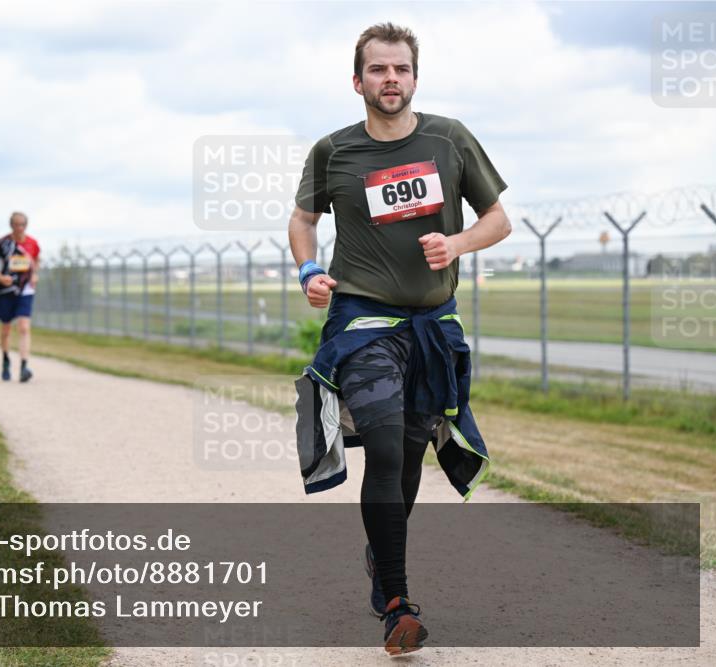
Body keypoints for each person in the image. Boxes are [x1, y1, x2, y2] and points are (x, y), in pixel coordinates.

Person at [289, 23, 510, 655]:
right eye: (379, 71)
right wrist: (309, 270)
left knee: (410, 460)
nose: (392, 80)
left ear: (415, 77)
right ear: (357, 81)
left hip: (431, 327)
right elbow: (302, 219)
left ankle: (378, 557)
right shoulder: (334, 151)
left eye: (402, 70)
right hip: (362, 322)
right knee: (384, 447)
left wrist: (458, 243)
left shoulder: (449, 138)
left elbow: (498, 218)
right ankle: (396, 603)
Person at [0, 211, 40, 382]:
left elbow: (36, 261)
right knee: (6, 329)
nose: (19, 228)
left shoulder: (32, 243)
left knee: (24, 327)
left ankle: (24, 366)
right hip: (7, 290)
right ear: (11, 225)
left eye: (22, 225)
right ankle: (6, 360)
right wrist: (0, 277)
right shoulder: (2, 243)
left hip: (25, 290)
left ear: (26, 225)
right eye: (16, 225)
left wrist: (34, 275)